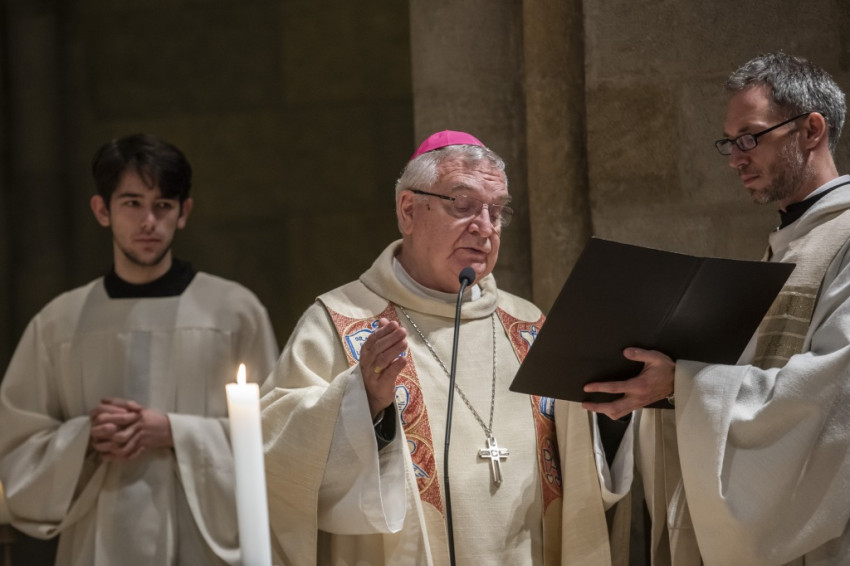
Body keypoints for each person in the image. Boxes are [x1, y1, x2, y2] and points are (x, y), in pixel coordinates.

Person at [261, 130, 634, 565]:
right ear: (408, 210)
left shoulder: (529, 325)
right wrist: (363, 402)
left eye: (497, 211)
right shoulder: (340, 321)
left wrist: (613, 410)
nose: (485, 227)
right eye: (463, 204)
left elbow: (582, 466)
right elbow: (275, 453)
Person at [584, 53, 850, 565]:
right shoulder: (790, 244)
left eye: (750, 137)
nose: (735, 158)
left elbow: (832, 393)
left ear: (811, 130)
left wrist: (681, 383)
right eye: (728, 142)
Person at [0, 133, 279, 565]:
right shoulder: (59, 324)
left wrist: (171, 431)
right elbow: (16, 449)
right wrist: (85, 438)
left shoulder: (234, 312)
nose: (148, 221)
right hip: (98, 542)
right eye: (132, 203)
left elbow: (277, 434)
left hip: (204, 546)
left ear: (183, 212)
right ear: (102, 210)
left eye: (163, 205)